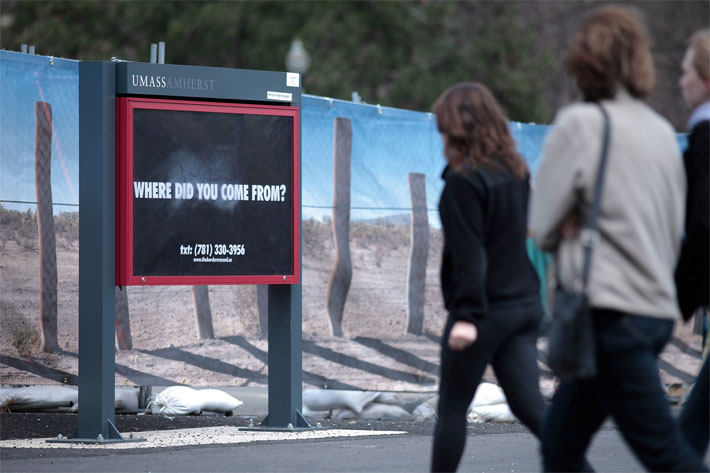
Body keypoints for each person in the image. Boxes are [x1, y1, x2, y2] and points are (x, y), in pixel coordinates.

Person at [530, 5, 708, 472]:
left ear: (584, 59)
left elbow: (542, 223)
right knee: (559, 445)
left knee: (666, 454)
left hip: (609, 316)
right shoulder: (663, 132)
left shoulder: (580, 125)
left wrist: (575, 218)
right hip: (653, 312)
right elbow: (674, 227)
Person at [430, 82, 546, 472]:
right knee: (530, 407)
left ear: (458, 130)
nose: (440, 134)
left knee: (451, 410)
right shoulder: (515, 171)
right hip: (524, 305)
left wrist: (465, 315)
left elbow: (471, 255)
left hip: (483, 313)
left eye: (443, 126)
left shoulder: (463, 183)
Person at [676, 28, 710, 460]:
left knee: (684, 441)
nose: (680, 80)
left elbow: (703, 227)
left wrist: (675, 300)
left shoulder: (704, 142)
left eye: (686, 72)